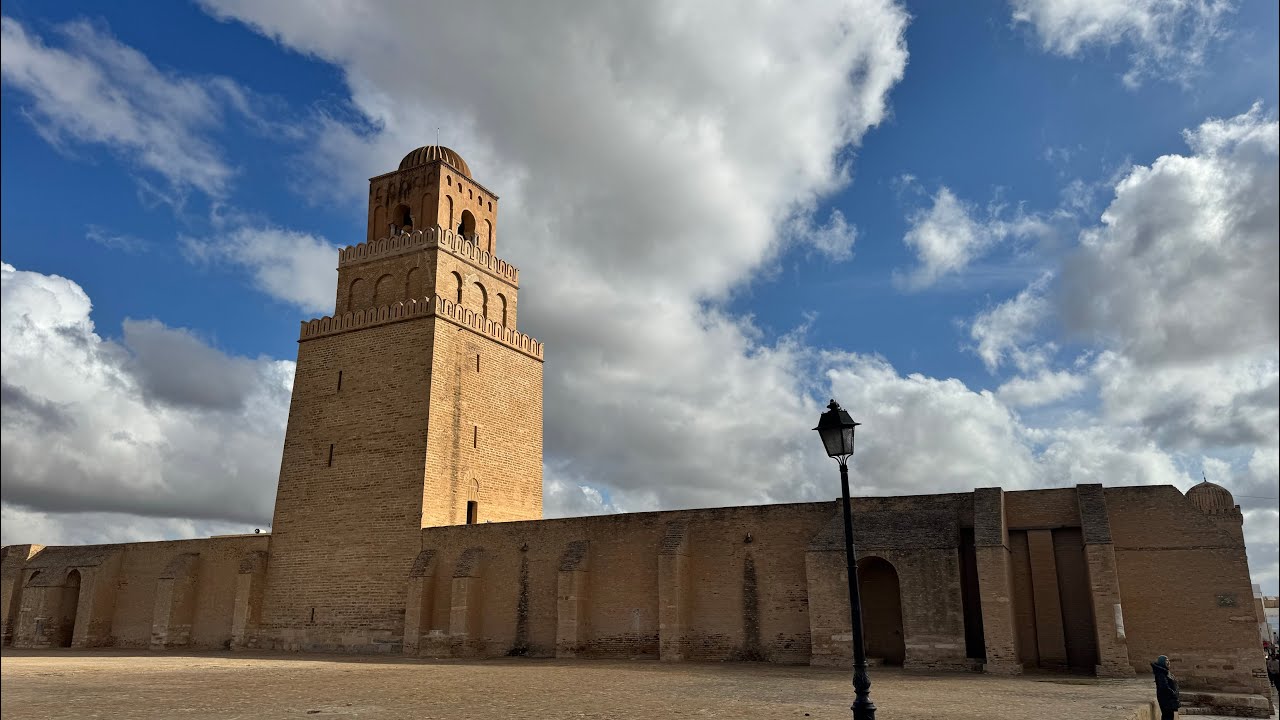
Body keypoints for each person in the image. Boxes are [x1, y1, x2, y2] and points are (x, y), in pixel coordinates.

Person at [1151, 655, 1181, 720]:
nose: (1168, 662)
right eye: (1166, 661)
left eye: (1168, 660)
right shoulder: (1161, 674)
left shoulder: (1165, 672)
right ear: (1162, 662)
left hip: (1170, 699)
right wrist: (1173, 694)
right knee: (1168, 716)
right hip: (1167, 700)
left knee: (1170, 716)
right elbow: (1164, 687)